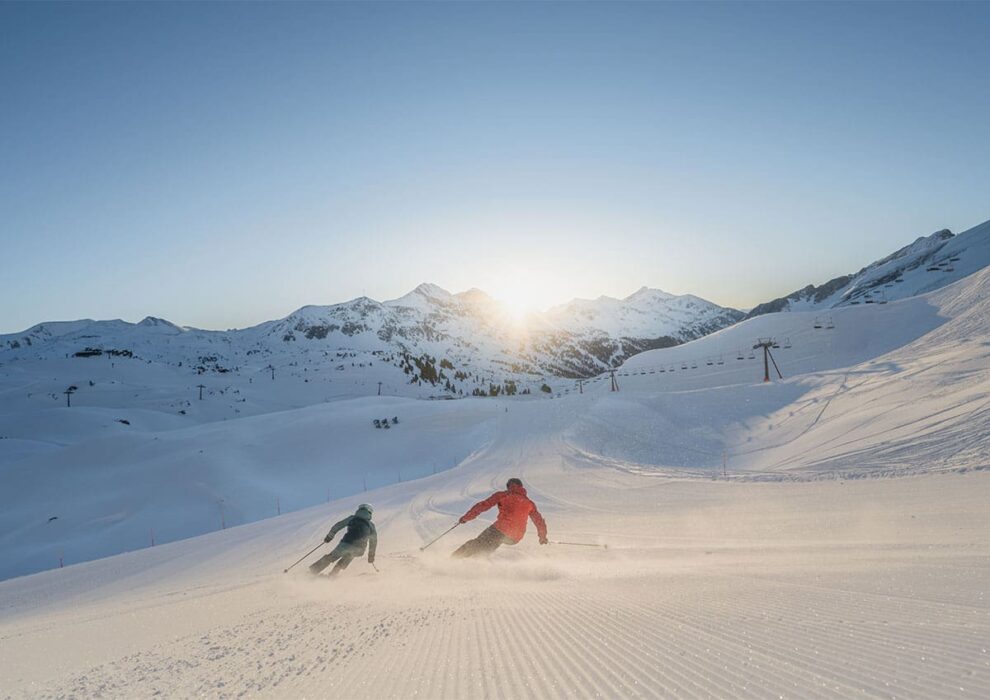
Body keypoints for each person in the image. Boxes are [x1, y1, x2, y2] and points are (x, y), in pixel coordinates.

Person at [452, 478, 548, 558]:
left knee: (478, 543)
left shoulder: (503, 495)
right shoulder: (529, 503)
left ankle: (452, 560)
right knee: (487, 547)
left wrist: (466, 518)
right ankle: (476, 566)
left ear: (509, 486)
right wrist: (542, 537)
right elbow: (539, 521)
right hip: (515, 538)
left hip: (500, 530)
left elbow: (484, 505)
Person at [309, 503, 377, 577]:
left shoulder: (352, 518)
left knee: (331, 557)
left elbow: (338, 525)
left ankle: (312, 572)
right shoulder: (371, 525)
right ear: (370, 512)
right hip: (359, 549)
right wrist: (371, 556)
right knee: (349, 556)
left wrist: (329, 536)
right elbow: (373, 541)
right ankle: (333, 574)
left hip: (346, 544)